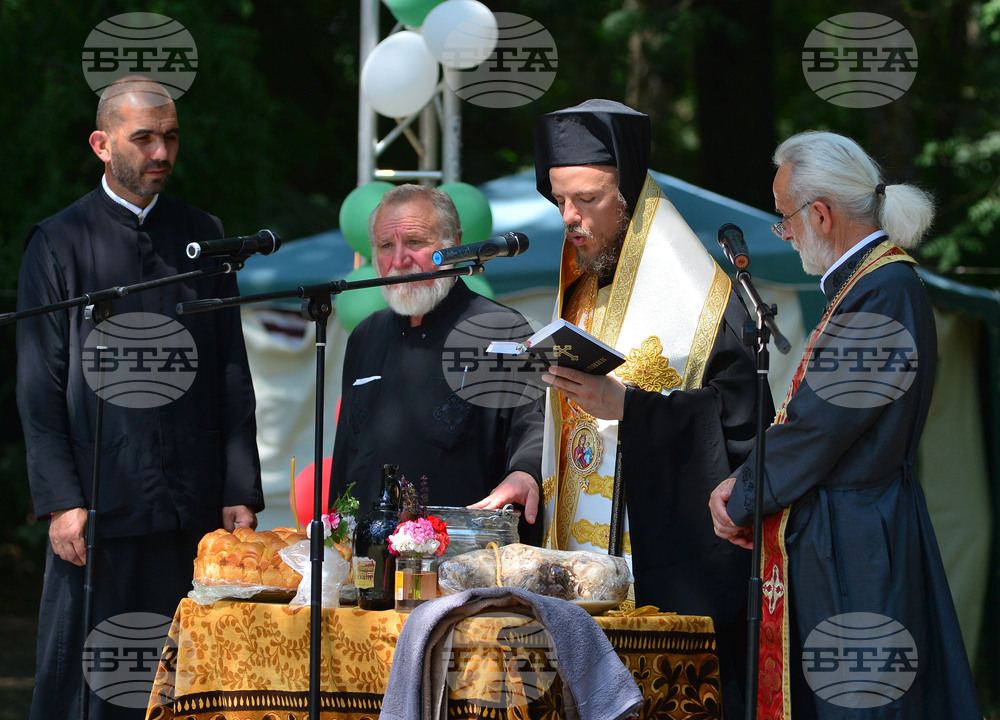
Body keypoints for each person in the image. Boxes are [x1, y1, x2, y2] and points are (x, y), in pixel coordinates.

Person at [709, 131, 982, 718]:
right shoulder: (869, 285)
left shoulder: (883, 289)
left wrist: (742, 495)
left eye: (784, 219)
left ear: (820, 214)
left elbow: (820, 426)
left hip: (858, 540)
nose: (784, 233)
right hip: (852, 526)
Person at [16, 76, 263, 719]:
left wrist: (239, 487)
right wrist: (60, 501)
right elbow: (39, 385)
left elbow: (231, 371)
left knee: (189, 683)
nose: (161, 153)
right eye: (144, 138)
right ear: (102, 144)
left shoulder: (204, 234)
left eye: (171, 138)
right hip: (99, 507)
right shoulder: (58, 242)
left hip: (193, 505)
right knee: (88, 686)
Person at [533, 99, 769, 718]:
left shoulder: (705, 302)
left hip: (658, 574)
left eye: (588, 199)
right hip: (580, 575)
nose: (570, 217)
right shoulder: (579, 289)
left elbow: (743, 425)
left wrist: (633, 408)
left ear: (631, 196)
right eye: (559, 199)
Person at [329, 184, 543, 541]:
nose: (400, 260)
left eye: (414, 242)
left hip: (466, 555)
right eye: (386, 246)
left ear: (454, 245)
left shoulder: (501, 328)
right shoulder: (365, 335)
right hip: (369, 560)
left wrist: (526, 471)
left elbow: (535, 425)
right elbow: (346, 458)